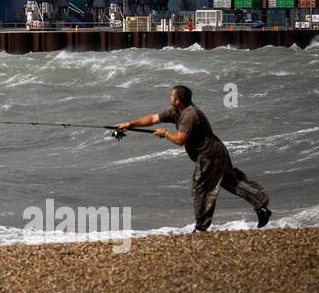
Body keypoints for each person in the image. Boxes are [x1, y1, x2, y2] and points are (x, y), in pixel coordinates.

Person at [116, 85, 272, 232]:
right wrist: (129, 124)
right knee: (232, 183)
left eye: (172, 95)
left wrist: (165, 134)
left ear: (178, 100)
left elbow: (179, 140)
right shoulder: (175, 112)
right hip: (215, 152)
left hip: (210, 155)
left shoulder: (190, 115)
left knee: (200, 189)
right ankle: (261, 206)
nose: (169, 97)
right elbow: (152, 118)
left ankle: (201, 227)